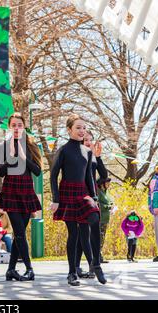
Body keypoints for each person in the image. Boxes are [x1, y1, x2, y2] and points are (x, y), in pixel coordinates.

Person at [50, 114, 106, 286]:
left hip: (83, 193)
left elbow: (89, 176)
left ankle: (96, 263)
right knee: (74, 234)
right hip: (67, 192)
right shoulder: (63, 150)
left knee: (95, 218)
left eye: (84, 128)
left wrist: (94, 198)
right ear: (69, 130)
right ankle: (72, 272)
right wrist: (56, 199)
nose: (82, 131)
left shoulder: (88, 151)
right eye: (78, 128)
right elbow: (53, 176)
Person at [0, 112, 42, 282]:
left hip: (27, 192)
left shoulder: (31, 145)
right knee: (20, 233)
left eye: (19, 125)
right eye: (13, 125)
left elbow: (37, 171)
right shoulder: (3, 146)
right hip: (11, 192)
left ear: (24, 127)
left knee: (19, 235)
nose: (16, 128)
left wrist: (22, 157)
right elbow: (0, 171)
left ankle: (11, 270)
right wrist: (12, 158)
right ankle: (30, 269)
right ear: (9, 127)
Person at [76, 130, 108, 277]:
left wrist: (98, 157)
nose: (88, 142)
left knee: (85, 231)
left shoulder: (93, 157)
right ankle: (92, 265)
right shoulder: (77, 155)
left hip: (92, 195)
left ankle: (78, 266)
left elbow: (104, 175)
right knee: (83, 231)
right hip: (80, 195)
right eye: (85, 140)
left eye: (90, 140)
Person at [96, 177, 114, 264]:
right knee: (99, 237)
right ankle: (98, 256)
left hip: (105, 218)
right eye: (107, 183)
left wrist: (111, 205)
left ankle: (99, 255)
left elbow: (108, 201)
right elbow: (98, 203)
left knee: (102, 238)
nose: (109, 185)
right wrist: (108, 206)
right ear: (102, 183)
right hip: (100, 218)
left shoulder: (105, 192)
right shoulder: (98, 192)